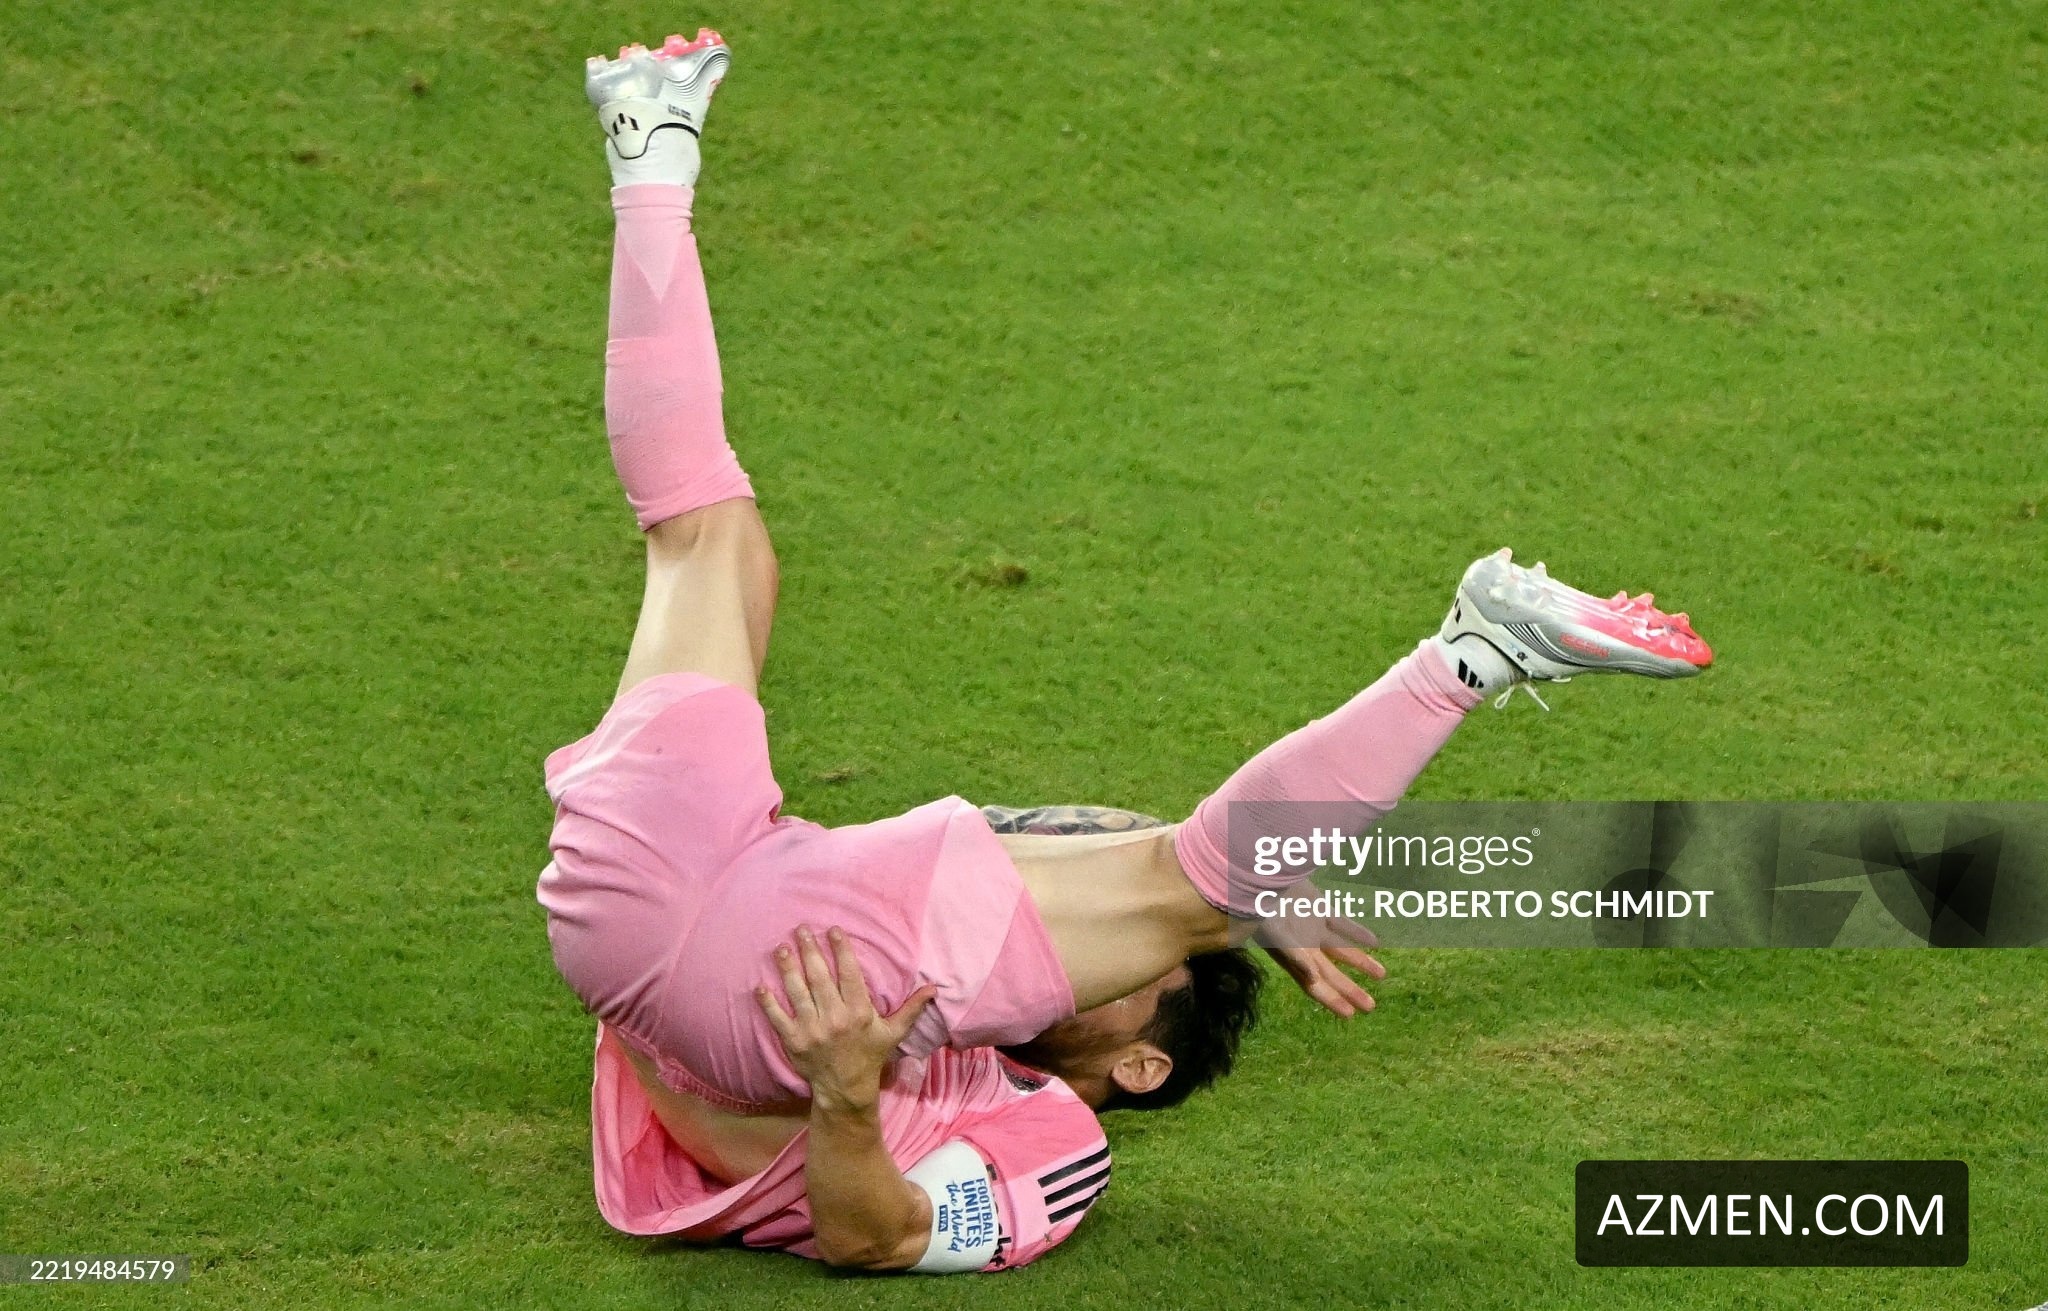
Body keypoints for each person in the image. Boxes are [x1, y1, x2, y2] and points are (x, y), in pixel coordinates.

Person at [537, 27, 1713, 1274]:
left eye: (1152, 963)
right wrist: (1237, 910)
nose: (1108, 949)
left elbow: (873, 1238)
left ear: (1141, 1064)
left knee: (1188, 878)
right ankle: (650, 151)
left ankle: (1470, 655)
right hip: (661, 899)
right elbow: (1048, 849)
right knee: (710, 535)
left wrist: (841, 1092)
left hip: (722, 980)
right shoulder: (959, 1006)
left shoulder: (1054, 1140)